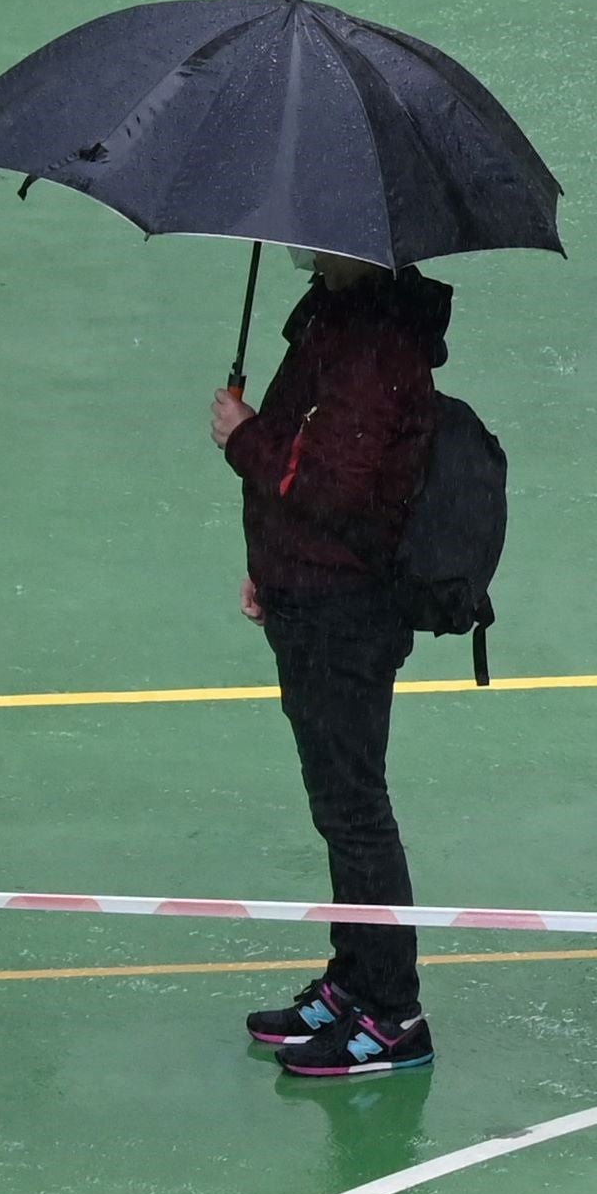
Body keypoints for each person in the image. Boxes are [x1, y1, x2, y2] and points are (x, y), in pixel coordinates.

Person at [222, 258, 455, 1081]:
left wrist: (241, 436)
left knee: (355, 810)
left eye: (322, 244)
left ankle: (392, 1012)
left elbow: (335, 485)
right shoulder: (334, 315)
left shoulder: (374, 347)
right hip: (310, 590)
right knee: (339, 805)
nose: (302, 249)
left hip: (344, 615)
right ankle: (354, 979)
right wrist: (272, 563)